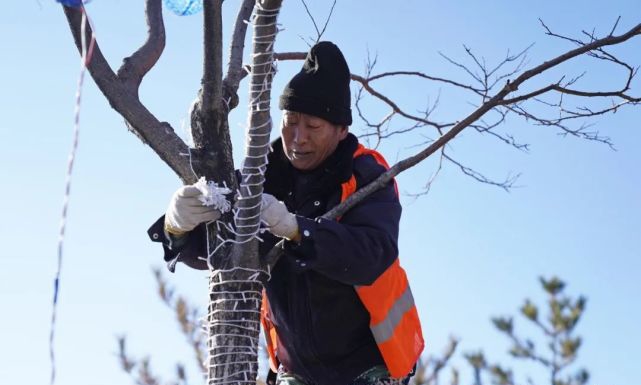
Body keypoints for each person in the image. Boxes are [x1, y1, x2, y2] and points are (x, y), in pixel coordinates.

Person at [148, 42, 424, 385]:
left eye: (312, 126)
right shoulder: (259, 176)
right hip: (296, 370)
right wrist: (177, 230)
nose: (298, 138)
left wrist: (297, 229)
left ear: (340, 131)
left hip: (368, 365)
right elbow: (224, 251)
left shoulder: (365, 173)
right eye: (290, 122)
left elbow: (373, 254)